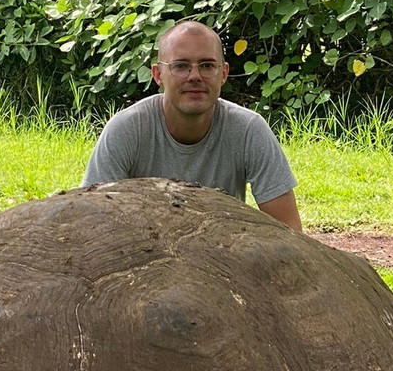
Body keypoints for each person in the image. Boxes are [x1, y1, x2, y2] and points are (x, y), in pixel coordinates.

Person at [82, 20, 302, 231]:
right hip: (142, 255)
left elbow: (290, 233)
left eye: (207, 66)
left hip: (220, 254)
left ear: (223, 73)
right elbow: (92, 223)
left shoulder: (249, 130)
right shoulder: (126, 130)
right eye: (181, 66)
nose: (195, 76)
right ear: (158, 75)